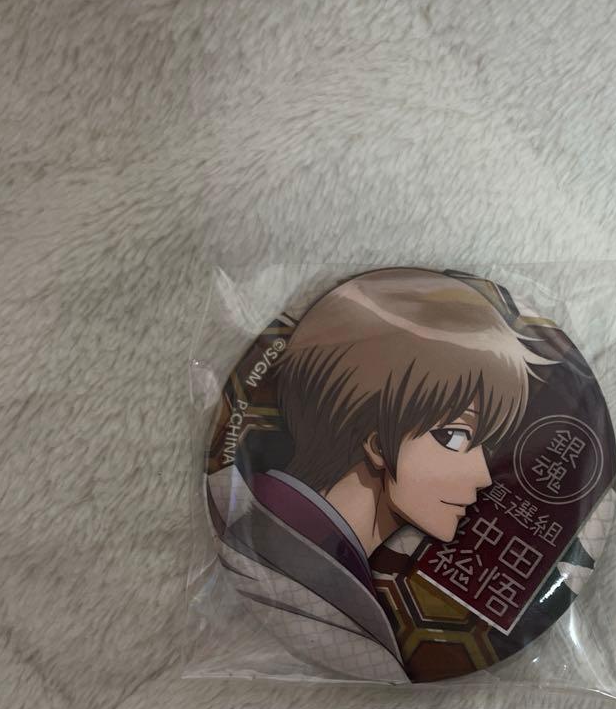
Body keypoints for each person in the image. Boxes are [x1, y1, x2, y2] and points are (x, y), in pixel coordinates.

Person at [208, 268, 549, 682]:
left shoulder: (259, 526)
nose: (483, 476)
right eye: (455, 437)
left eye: (485, 445)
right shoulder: (299, 595)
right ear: (374, 441)